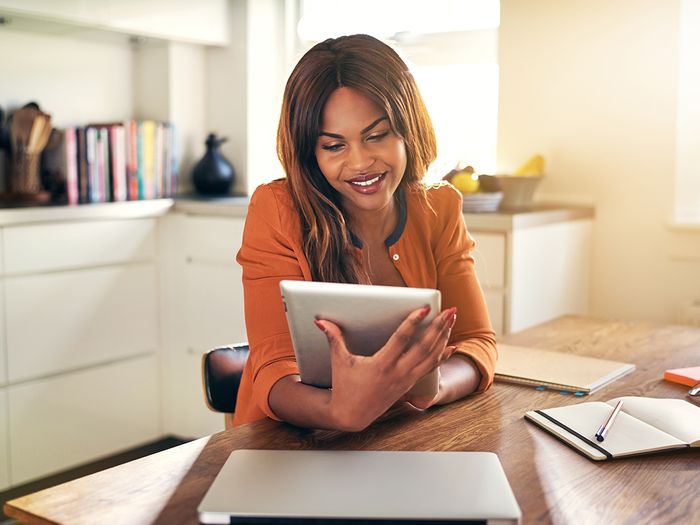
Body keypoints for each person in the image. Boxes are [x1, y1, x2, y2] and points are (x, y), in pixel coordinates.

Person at [233, 34, 496, 431]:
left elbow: (478, 342)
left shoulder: (439, 207)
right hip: (293, 443)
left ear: (409, 129)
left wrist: (433, 389)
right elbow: (273, 370)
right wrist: (342, 412)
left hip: (400, 431)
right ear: (311, 154)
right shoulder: (276, 209)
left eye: (376, 135)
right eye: (333, 146)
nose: (360, 162)